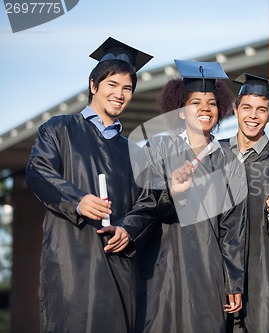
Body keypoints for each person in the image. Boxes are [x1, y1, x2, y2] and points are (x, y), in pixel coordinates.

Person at [25, 37, 153, 332]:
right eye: (112, 85)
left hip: (118, 266)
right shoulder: (59, 130)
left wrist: (128, 229)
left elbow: (147, 204)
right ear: (93, 85)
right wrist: (78, 200)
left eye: (127, 88)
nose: (120, 94)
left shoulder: (134, 151)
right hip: (70, 259)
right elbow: (38, 170)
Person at [121, 60, 248, 333]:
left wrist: (233, 282)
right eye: (195, 103)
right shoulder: (158, 148)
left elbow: (233, 229)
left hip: (208, 268)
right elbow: (145, 205)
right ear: (180, 111)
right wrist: (171, 193)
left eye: (212, 103)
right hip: (163, 264)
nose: (205, 109)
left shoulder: (229, 162)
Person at [220, 73, 269, 333]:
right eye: (247, 108)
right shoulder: (214, 154)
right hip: (216, 275)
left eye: (261, 110)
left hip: (260, 277)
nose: (253, 116)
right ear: (235, 109)